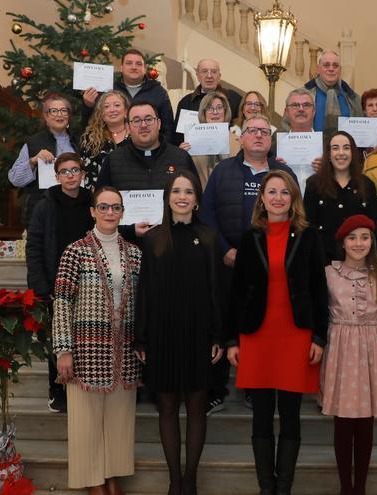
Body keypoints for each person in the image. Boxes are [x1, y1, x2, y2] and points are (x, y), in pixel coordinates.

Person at [225, 170, 328, 495]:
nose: (278, 198)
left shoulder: (309, 237)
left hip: (296, 335)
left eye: (285, 192)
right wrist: (232, 340)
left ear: (293, 198)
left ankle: (284, 487)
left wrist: (319, 337)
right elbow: (237, 291)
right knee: (261, 415)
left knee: (290, 414)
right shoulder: (249, 238)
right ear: (263, 199)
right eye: (272, 192)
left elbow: (318, 289)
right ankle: (266, 487)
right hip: (258, 336)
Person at [200, 115, 298, 415]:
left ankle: (258, 387)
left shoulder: (283, 172)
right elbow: (207, 215)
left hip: (270, 268)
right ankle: (216, 388)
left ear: (271, 138)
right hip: (229, 263)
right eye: (252, 131)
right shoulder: (223, 171)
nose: (258, 136)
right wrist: (225, 251)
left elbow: (297, 216)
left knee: (261, 326)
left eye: (264, 132)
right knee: (223, 323)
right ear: (241, 138)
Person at [135, 171, 223, 495]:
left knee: (197, 408)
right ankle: (174, 480)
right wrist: (141, 337)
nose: (182, 196)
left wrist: (217, 335)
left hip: (199, 333)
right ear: (168, 197)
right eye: (177, 191)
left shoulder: (210, 237)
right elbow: (144, 291)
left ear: (197, 199)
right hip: (163, 334)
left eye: (188, 191)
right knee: (169, 408)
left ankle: (191, 480)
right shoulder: (153, 238)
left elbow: (216, 290)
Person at [52, 186, 143, 494]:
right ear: (92, 211)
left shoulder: (134, 253)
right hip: (86, 347)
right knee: (86, 424)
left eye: (115, 207)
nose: (109, 213)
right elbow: (62, 301)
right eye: (103, 207)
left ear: (122, 212)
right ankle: (93, 480)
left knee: (119, 422)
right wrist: (63, 350)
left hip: (123, 350)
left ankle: (112, 474)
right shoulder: (74, 251)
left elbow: (143, 302)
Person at [320, 214, 377, 495]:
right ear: (342, 242)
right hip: (340, 353)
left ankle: (361, 488)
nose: (359, 243)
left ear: (373, 241)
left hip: (373, 354)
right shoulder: (329, 275)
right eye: (352, 238)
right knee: (342, 423)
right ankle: (346, 487)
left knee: (366, 424)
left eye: (365, 237)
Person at [26, 152, 93, 414]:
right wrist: (41, 286)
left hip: (88, 281)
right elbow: (34, 246)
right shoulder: (46, 204)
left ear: (83, 174)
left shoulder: (92, 202)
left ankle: (83, 385)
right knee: (58, 339)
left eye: (75, 170)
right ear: (57, 176)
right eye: (64, 171)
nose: (70, 176)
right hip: (55, 283)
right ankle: (57, 390)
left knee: (84, 337)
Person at [303, 131, 377, 262]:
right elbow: (307, 227)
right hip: (322, 262)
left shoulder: (367, 185)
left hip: (360, 262)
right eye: (335, 148)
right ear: (328, 154)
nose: (341, 153)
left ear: (353, 153)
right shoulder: (314, 184)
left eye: (346, 148)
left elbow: (375, 227)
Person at [8, 93, 78, 226]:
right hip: (41, 213)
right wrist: (33, 161)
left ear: (69, 116)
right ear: (46, 116)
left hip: (73, 210)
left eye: (64, 110)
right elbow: (15, 179)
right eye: (54, 111)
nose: (59, 115)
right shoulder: (33, 142)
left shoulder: (78, 142)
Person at [82, 48, 176, 142]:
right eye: (129, 63)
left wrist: (160, 151)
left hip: (149, 148)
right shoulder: (108, 90)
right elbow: (93, 123)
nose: (134, 67)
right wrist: (88, 106)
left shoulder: (158, 91)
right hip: (112, 147)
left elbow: (168, 128)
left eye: (139, 64)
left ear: (145, 69)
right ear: (121, 68)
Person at [172, 59, 243, 144]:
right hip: (193, 155)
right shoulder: (186, 102)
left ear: (219, 76)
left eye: (213, 72)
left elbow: (243, 126)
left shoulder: (233, 98)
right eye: (204, 71)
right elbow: (177, 137)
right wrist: (180, 149)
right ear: (197, 76)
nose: (209, 76)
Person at [179, 91, 240, 189]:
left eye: (219, 108)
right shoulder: (191, 140)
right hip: (201, 197)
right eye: (210, 108)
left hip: (230, 195)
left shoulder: (238, 141)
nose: (215, 112)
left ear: (225, 111)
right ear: (203, 112)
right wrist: (181, 155)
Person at [304, 50, 362, 136]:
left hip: (343, 148)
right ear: (318, 69)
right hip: (312, 148)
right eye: (326, 65)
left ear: (340, 70)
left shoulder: (353, 98)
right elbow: (287, 126)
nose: (331, 69)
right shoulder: (302, 95)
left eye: (335, 66)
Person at [79, 91, 130, 188]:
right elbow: (88, 173)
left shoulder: (137, 136)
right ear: (101, 113)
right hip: (101, 196)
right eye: (106, 107)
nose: (112, 110)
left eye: (117, 105)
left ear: (126, 111)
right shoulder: (91, 138)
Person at [276, 88, 322, 186]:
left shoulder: (328, 145)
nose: (301, 109)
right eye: (295, 105)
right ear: (286, 112)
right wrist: (275, 168)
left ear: (314, 111)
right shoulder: (274, 146)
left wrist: (327, 171)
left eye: (306, 105)